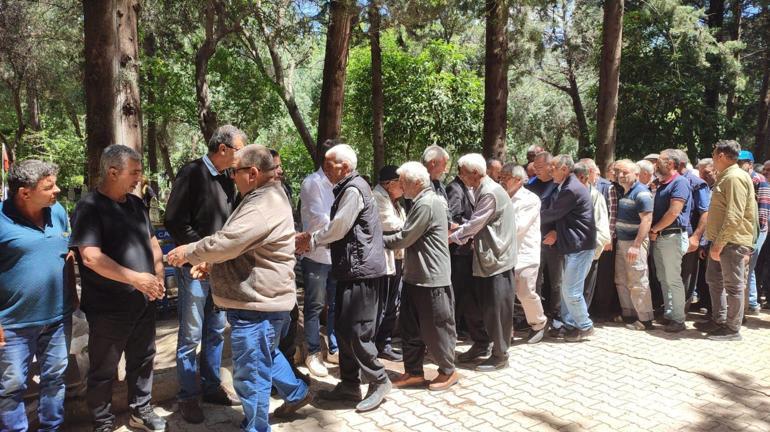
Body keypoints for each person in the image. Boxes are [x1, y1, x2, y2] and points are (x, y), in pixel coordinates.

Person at [166, 144, 312, 431]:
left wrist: (190, 252)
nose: (232, 177)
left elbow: (228, 242)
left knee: (251, 374)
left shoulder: (262, 203)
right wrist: (211, 265)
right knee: (264, 354)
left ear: (253, 173)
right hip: (262, 301)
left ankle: (256, 427)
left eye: (236, 171)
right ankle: (296, 392)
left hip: (257, 304)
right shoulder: (262, 196)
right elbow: (243, 246)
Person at [70, 145, 167, 432]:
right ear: (113, 172)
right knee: (103, 370)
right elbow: (91, 257)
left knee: (144, 359)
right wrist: (136, 278)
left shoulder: (136, 204)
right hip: (108, 307)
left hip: (143, 301)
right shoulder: (89, 207)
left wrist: (157, 276)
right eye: (134, 172)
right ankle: (102, 423)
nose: (140, 177)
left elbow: (152, 244)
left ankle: (141, 411)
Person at [296, 144, 391, 412]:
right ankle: (350, 385)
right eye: (324, 163)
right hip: (350, 270)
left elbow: (339, 227)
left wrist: (312, 240)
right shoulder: (348, 187)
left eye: (331, 164)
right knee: (342, 327)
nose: (326, 168)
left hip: (362, 272)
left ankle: (379, 380)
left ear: (346, 167)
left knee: (357, 331)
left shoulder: (353, 189)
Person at [164, 125, 243, 423]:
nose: (240, 156)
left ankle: (211, 387)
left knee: (215, 330)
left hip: (219, 268)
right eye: (238, 150)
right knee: (191, 334)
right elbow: (174, 219)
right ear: (222, 149)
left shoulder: (226, 179)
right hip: (194, 269)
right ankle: (187, 396)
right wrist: (198, 254)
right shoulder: (192, 173)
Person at [0, 160, 75, 432]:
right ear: (24, 193)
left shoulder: (57, 212)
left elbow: (66, 253)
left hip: (57, 318)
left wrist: (72, 300)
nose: (57, 189)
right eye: (49, 186)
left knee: (55, 379)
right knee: (11, 387)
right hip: (12, 325)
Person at [384, 162, 459, 391]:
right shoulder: (421, 202)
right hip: (415, 277)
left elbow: (404, 238)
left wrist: (375, 240)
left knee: (437, 328)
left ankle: (448, 371)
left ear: (417, 182)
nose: (400, 186)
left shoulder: (427, 203)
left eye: (404, 182)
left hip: (431, 279)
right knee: (411, 328)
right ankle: (414, 372)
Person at [450, 153, 517, 371]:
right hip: (485, 260)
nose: (461, 176)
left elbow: (474, 225)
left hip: (496, 262)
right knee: (476, 305)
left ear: (475, 174)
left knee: (496, 310)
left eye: (463, 172)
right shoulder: (482, 189)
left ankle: (500, 355)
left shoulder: (489, 193)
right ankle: (482, 345)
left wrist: (450, 238)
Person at [702, 140, 757, 341]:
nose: (713, 157)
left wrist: (718, 244)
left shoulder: (734, 177)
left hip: (731, 242)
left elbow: (735, 215)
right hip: (722, 241)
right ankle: (719, 320)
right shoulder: (726, 176)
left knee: (733, 286)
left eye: (714, 154)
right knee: (714, 280)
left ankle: (733, 329)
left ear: (722, 156)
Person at [541, 155, 597, 342]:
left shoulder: (571, 189)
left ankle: (585, 326)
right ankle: (571, 324)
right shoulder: (566, 187)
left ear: (565, 169)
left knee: (571, 292)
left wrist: (529, 214)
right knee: (569, 290)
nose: (550, 170)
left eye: (554, 167)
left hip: (579, 247)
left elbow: (552, 213)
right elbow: (562, 216)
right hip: (574, 246)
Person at [298, 139, 339, 377]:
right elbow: (319, 220)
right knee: (314, 306)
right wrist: (344, 228)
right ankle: (313, 352)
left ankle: (333, 346)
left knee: (335, 304)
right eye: (339, 163)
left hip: (335, 254)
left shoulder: (340, 183)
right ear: (327, 162)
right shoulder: (313, 183)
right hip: (316, 254)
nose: (344, 168)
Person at [499, 163, 549, 343]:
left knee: (525, 292)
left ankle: (539, 323)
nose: (502, 180)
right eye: (501, 177)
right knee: (505, 295)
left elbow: (518, 227)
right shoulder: (499, 196)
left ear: (519, 180)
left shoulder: (531, 199)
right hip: (504, 254)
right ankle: (507, 331)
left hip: (525, 253)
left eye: (506, 177)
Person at [649, 149, 691, 332]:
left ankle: (679, 319)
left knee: (673, 278)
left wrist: (655, 229)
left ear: (672, 164)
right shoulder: (661, 183)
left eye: (661, 161)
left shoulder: (680, 183)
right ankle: (670, 313)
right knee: (663, 277)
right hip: (660, 236)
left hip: (671, 235)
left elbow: (674, 212)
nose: (657, 164)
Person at [612, 160, 655, 330]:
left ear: (636, 174)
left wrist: (636, 245)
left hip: (634, 243)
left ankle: (645, 319)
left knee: (638, 280)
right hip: (622, 242)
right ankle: (628, 314)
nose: (620, 175)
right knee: (621, 279)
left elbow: (647, 219)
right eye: (618, 172)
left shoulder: (641, 192)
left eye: (624, 172)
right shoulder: (624, 191)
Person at [372, 165, 406, 361]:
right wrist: (414, 227)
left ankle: (384, 344)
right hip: (384, 261)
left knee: (393, 304)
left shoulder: (395, 202)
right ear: (390, 184)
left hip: (398, 258)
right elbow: (392, 224)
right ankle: (376, 345)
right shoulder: (378, 197)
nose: (403, 187)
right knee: (382, 305)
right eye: (400, 183)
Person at [526, 152, 562, 319]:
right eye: (535, 167)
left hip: (555, 242)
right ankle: (536, 316)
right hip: (533, 241)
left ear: (550, 166)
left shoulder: (559, 186)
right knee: (535, 281)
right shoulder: (530, 186)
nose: (536, 170)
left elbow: (565, 213)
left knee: (557, 282)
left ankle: (557, 317)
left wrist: (556, 232)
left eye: (540, 167)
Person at [672, 150, 709, 309]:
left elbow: (705, 212)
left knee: (685, 274)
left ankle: (680, 312)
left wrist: (696, 237)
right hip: (671, 236)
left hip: (688, 235)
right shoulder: (671, 180)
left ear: (678, 164)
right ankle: (671, 308)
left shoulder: (696, 183)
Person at [573, 161, 611, 309]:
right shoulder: (569, 194)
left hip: (589, 249)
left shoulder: (595, 196)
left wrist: (593, 247)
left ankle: (582, 321)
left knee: (584, 288)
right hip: (571, 249)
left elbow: (602, 228)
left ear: (583, 178)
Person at [445, 163, 476, 338]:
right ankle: (454, 327)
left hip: (465, 249)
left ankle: (461, 325)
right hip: (458, 250)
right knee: (458, 290)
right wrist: (472, 226)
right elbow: (454, 217)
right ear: (463, 173)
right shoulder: (455, 188)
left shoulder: (465, 188)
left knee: (464, 291)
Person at [737, 150, 769, 315]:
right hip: (746, 229)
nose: (738, 164)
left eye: (741, 162)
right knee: (750, 265)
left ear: (750, 163)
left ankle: (750, 303)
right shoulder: (740, 178)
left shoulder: (759, 180)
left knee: (749, 263)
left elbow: (763, 209)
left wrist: (757, 236)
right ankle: (751, 302)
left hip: (757, 230)